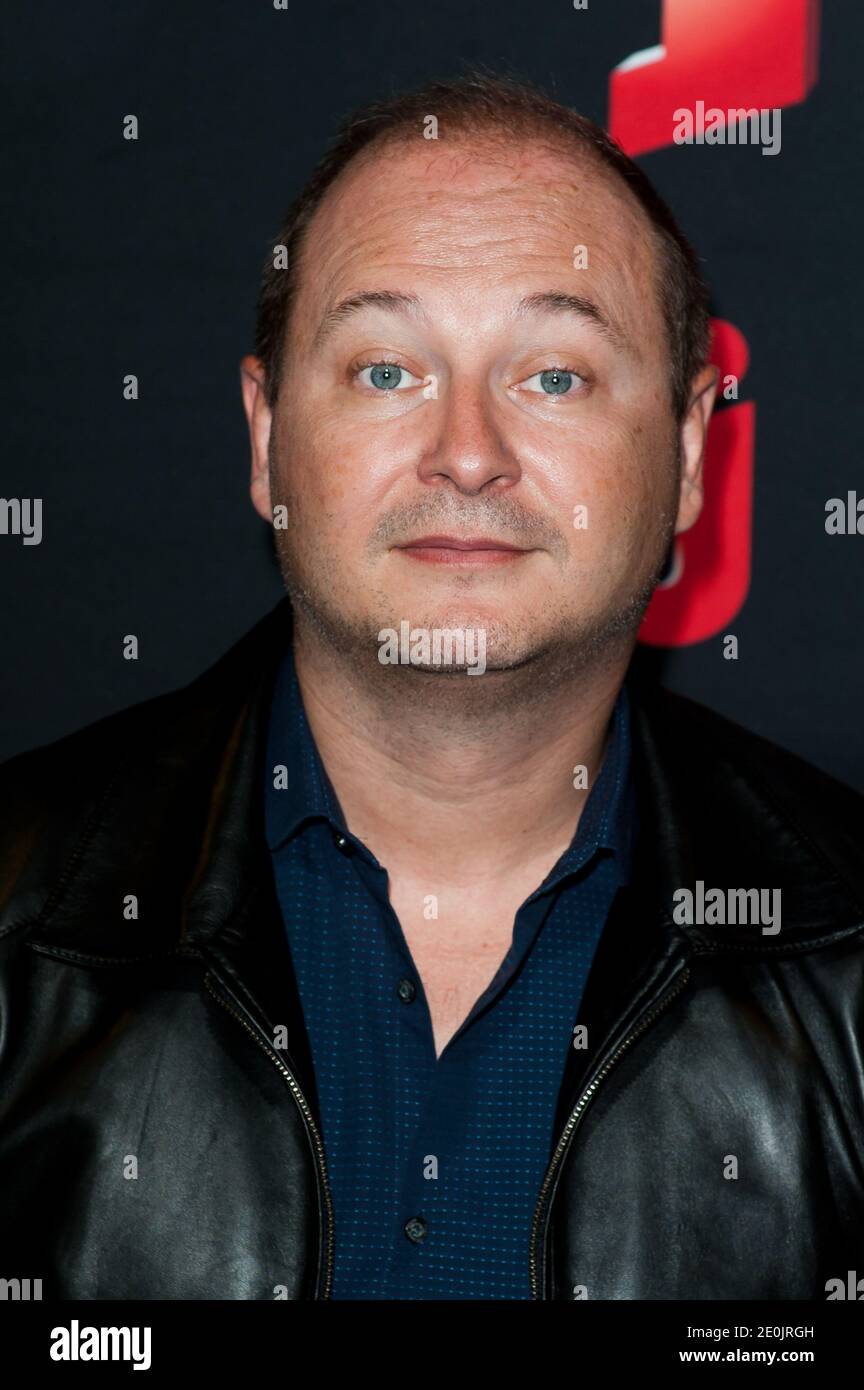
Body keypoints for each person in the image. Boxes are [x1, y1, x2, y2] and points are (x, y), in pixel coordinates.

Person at [1, 73, 862, 1302]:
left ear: (685, 455)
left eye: (554, 375)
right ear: (264, 439)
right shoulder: (19, 924)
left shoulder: (846, 961)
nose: (467, 451)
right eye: (386, 370)